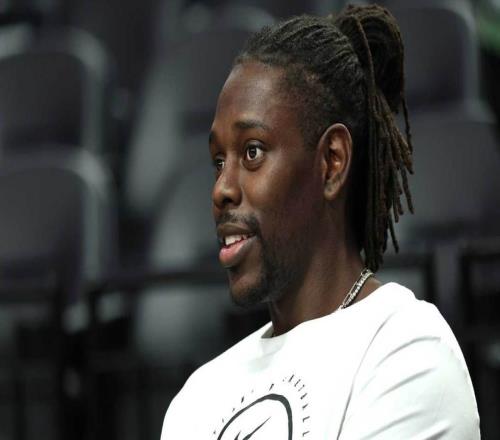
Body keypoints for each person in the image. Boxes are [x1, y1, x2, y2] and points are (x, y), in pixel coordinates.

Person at [161, 4, 480, 439]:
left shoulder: (405, 349)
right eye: (219, 161)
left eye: (252, 152)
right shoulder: (197, 397)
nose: (221, 189)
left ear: (332, 162)